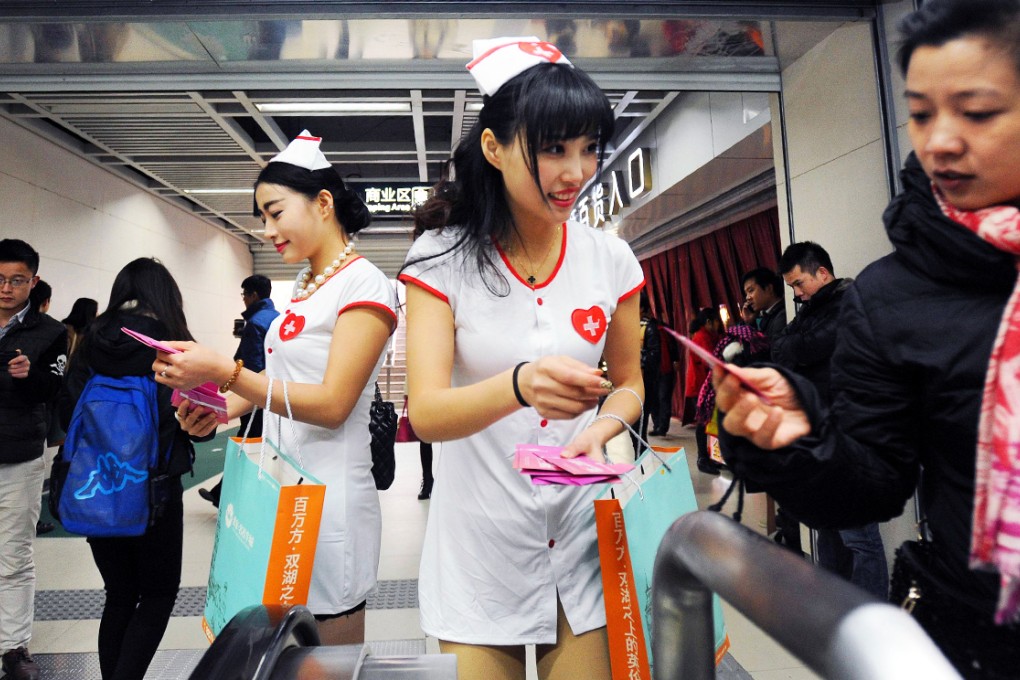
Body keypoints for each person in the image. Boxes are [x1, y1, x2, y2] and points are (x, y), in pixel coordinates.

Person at [714, 1, 1020, 675]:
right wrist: (792, 440)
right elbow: (873, 480)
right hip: (979, 635)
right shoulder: (890, 296)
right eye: (924, 111)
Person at [399, 37, 644, 680]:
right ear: (494, 146)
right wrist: (519, 385)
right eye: (553, 148)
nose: (576, 172)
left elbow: (630, 384)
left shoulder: (610, 260)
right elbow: (424, 413)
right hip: (479, 550)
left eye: (590, 148)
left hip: (585, 543)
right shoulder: (439, 258)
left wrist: (604, 426)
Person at [162, 130, 397, 646]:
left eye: (275, 212)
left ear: (324, 203)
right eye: (261, 218)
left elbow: (335, 403)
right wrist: (219, 407)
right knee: (288, 655)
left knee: (327, 659)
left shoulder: (365, 285)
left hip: (331, 503)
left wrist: (226, 370)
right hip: (285, 496)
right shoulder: (306, 289)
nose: (267, 230)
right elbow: (281, 381)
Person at [59, 258, 211, 680]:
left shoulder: (91, 338)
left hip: (96, 484)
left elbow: (68, 407)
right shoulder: (174, 344)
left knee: (120, 594)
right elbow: (192, 415)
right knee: (158, 594)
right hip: (155, 490)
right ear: (167, 296)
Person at [772, 241, 888, 600]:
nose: (797, 293)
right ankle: (835, 604)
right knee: (828, 527)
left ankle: (872, 614)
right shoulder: (812, 309)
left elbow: (802, 348)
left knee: (858, 535)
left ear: (822, 273)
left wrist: (794, 347)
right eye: (791, 286)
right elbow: (781, 347)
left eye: (799, 283)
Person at [0, 239, 67, 680]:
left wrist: (30, 378)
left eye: (17, 280)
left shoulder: (51, 332)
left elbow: (52, 391)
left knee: (14, 555)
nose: (6, 288)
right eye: (0, 279)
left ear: (34, 281)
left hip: (18, 457)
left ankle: (13, 648)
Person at [198, 274, 279, 508]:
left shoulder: (255, 323)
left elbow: (249, 368)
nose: (243, 300)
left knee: (246, 445)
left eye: (244, 295)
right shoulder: (278, 318)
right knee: (256, 444)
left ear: (253, 295)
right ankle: (223, 493)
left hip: (256, 396)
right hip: (274, 396)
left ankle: (227, 495)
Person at [684, 307, 723, 474]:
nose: (718, 325)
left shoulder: (708, 336)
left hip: (703, 386)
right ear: (708, 322)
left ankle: (708, 457)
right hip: (699, 387)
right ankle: (702, 459)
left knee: (707, 422)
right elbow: (710, 360)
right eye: (716, 322)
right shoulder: (701, 337)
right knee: (702, 423)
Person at [638, 292, 661, 440]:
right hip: (629, 381)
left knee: (640, 424)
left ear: (641, 308)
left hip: (644, 382)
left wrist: (636, 359)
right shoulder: (626, 325)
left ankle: (641, 458)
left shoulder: (649, 327)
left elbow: (654, 355)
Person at [741, 266, 786, 341]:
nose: (747, 297)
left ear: (769, 288)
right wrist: (750, 322)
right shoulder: (767, 315)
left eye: (751, 290)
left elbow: (767, 350)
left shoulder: (782, 316)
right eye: (746, 293)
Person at [60, 297, 99, 363]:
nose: (98, 314)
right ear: (90, 314)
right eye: (96, 311)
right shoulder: (90, 336)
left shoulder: (61, 328)